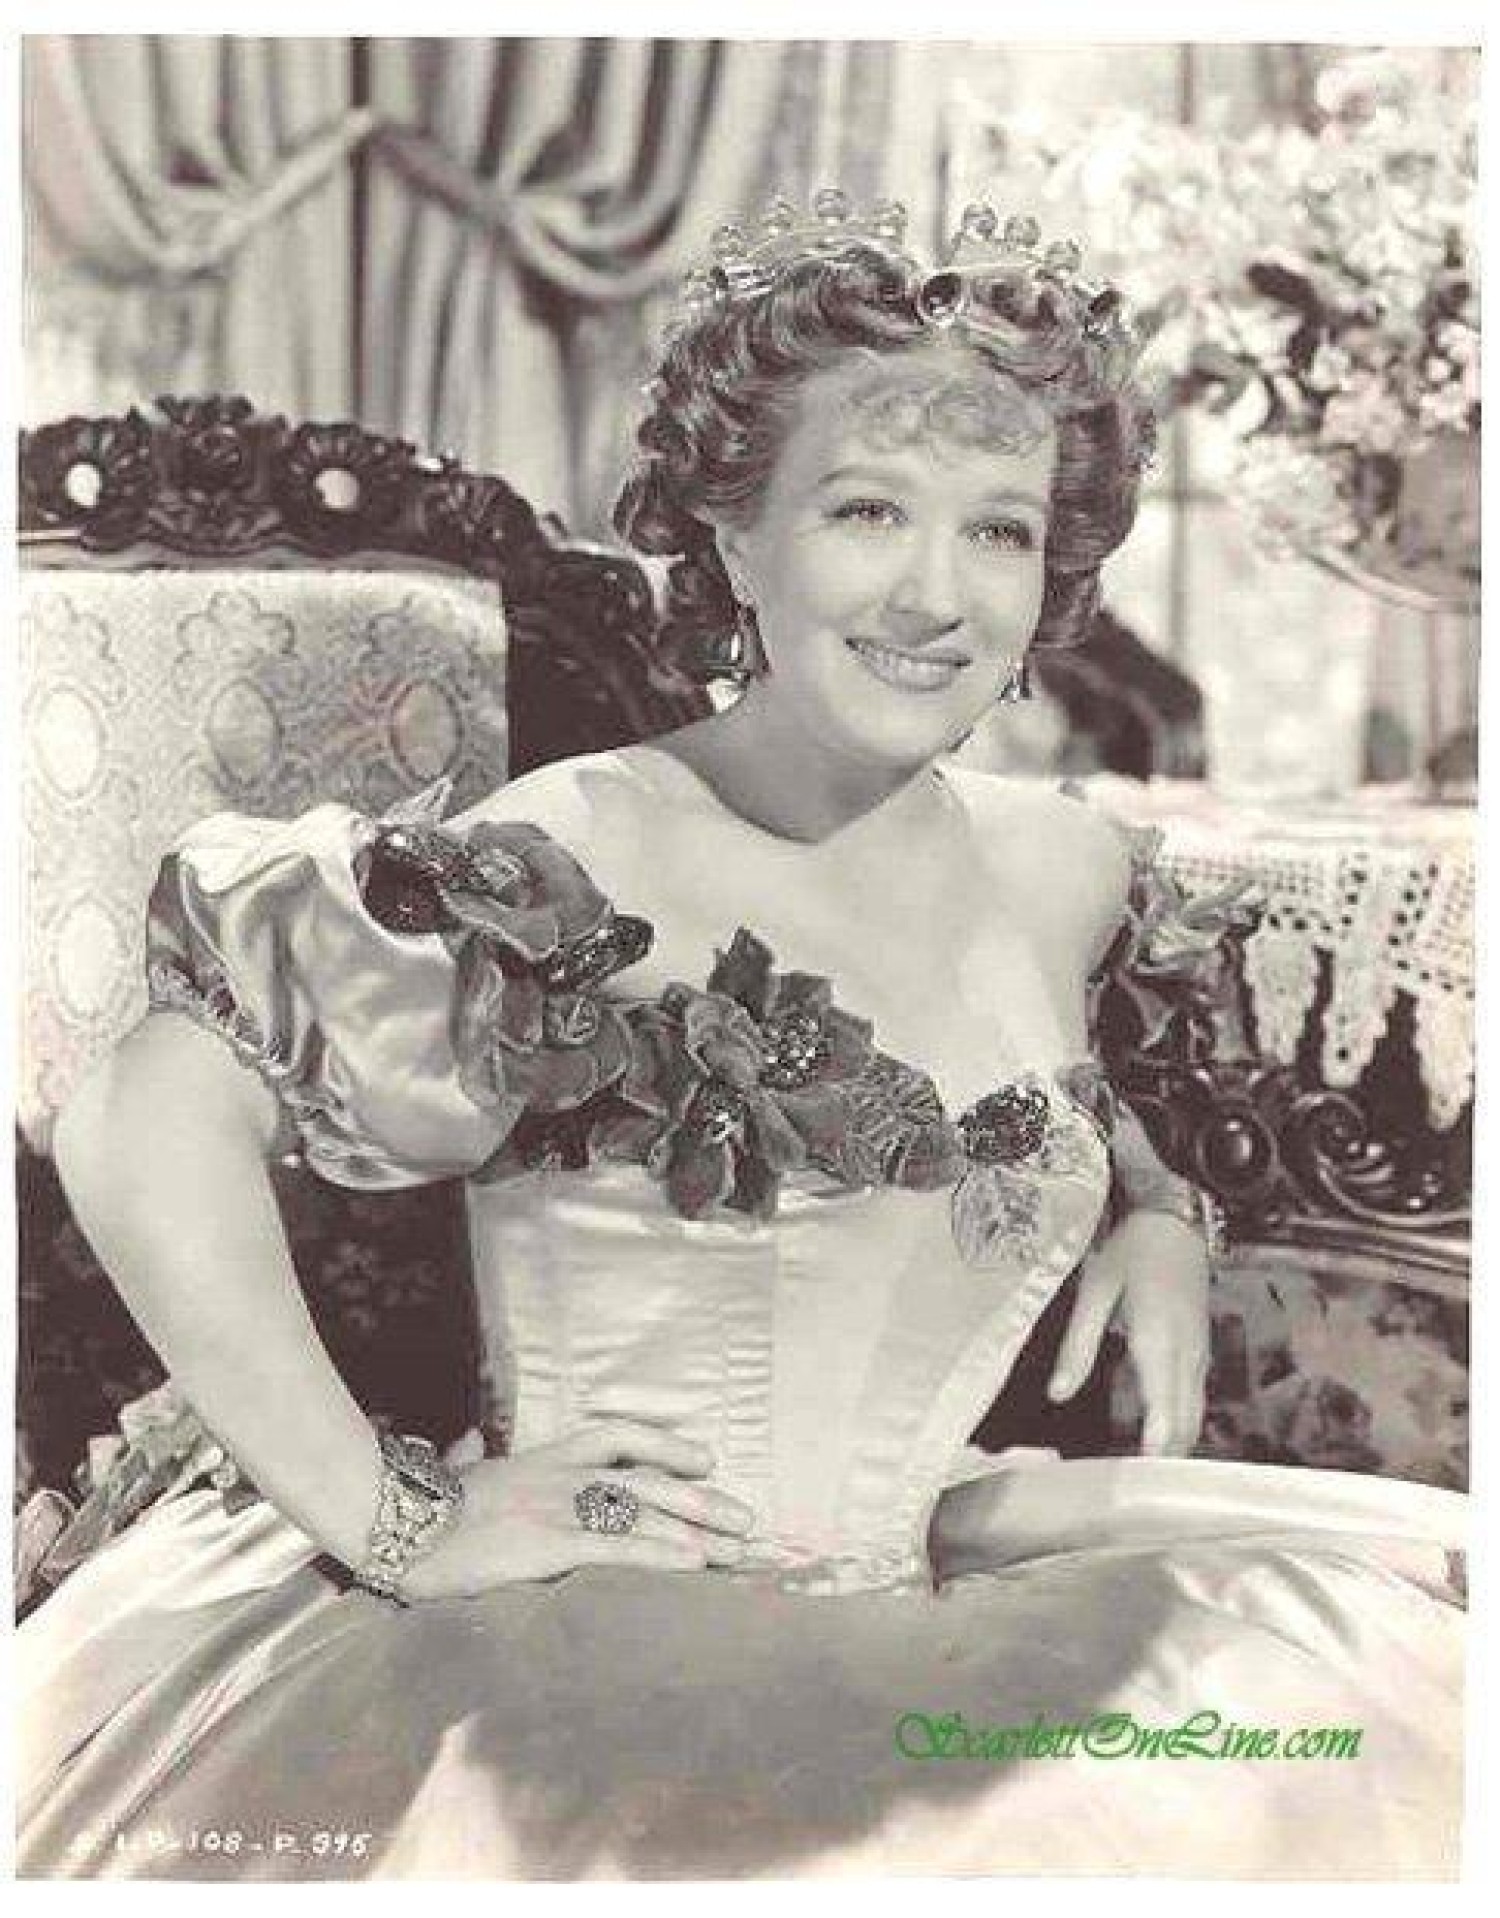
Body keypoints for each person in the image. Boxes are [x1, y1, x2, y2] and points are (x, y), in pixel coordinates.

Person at [17, 193, 1463, 1881]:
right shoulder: (576, 855)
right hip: (587, 1663)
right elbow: (140, 1119)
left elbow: (1042, 1077)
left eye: (999, 530)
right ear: (734, 534)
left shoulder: (1059, 863)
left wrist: (1155, 1205)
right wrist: (393, 1516)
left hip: (946, 1589)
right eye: (867, 510)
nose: (937, 594)